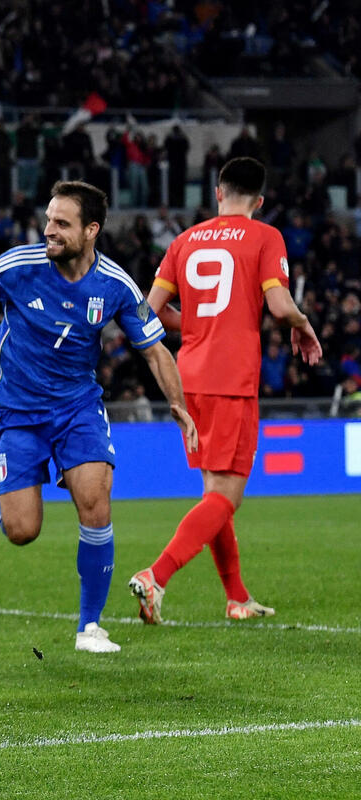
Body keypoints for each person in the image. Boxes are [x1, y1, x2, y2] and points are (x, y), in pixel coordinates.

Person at [0, 180, 198, 654]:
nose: (49, 230)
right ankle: (10, 502)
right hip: (17, 411)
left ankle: (90, 627)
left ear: (91, 230)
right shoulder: (19, 266)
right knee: (23, 531)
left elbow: (154, 349)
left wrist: (177, 403)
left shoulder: (115, 284)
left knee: (95, 500)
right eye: (48, 220)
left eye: (61, 224)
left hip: (78, 408)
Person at [128, 157, 322, 623]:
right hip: (231, 378)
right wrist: (303, 323)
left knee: (214, 493)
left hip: (189, 379)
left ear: (217, 192)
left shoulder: (184, 240)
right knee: (226, 498)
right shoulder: (264, 236)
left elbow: (148, 312)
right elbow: (280, 307)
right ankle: (156, 575)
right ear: (259, 200)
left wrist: (196, 324)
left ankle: (237, 598)